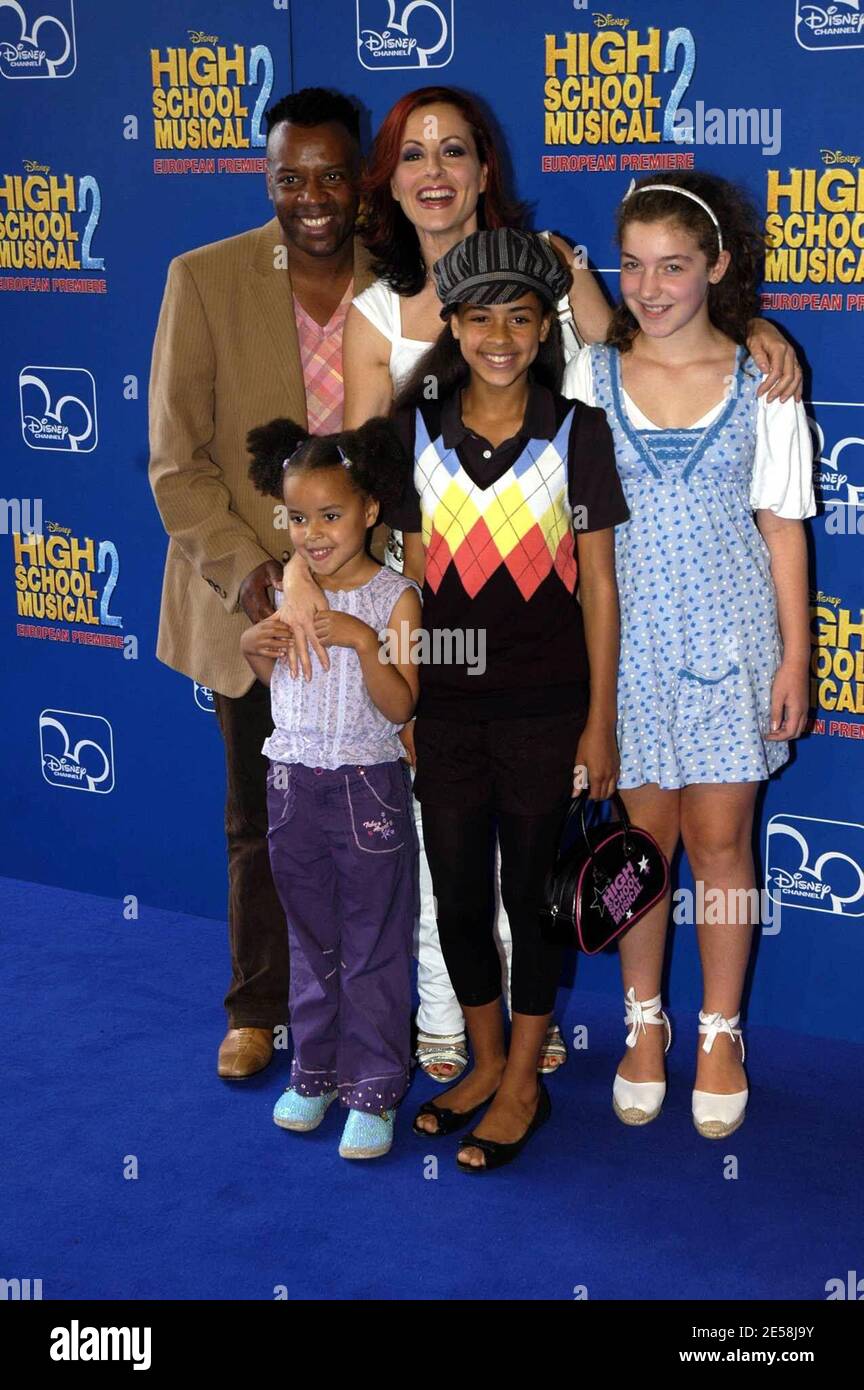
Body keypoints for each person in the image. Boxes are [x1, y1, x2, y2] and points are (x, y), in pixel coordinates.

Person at [333, 85, 803, 1084]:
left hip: (662, 652)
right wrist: (402, 654)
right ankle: (494, 1032)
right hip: (491, 656)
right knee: (500, 860)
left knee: (696, 843)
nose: (434, 174)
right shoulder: (394, 337)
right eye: (636, 263)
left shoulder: (578, 332)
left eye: (452, 152)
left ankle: (696, 1035)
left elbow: (641, 337)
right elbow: (383, 499)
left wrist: (756, 331)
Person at [565, 172, 815, 1139]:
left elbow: (783, 525)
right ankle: (642, 1024)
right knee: (642, 848)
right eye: (632, 264)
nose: (652, 286)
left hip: (732, 646)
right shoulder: (590, 375)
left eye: (675, 265)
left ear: (716, 267)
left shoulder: (767, 382)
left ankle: (719, 1031)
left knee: (721, 848)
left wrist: (795, 660)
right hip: (621, 654)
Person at [148, 88, 375, 1078]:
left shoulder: (405, 277)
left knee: (371, 818)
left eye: (332, 174)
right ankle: (256, 1005)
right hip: (251, 606)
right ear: (268, 177)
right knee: (261, 814)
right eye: (291, 177)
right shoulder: (203, 280)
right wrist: (261, 586)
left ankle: (376, 1009)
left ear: (361, 176)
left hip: (372, 599)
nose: (312, 197)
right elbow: (177, 463)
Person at [390, 228, 629, 1171]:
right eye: (479, 317)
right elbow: (413, 581)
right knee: (455, 896)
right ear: (450, 326)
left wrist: (598, 721)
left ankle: (526, 1080)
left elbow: (601, 585)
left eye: (520, 318)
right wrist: (408, 705)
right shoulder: (414, 434)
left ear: (543, 331)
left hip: (545, 708)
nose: (499, 335)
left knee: (531, 900)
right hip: (446, 711)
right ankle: (485, 1063)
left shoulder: (578, 432)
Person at [241, 417, 422, 1159]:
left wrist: (361, 640)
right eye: (298, 517)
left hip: (368, 790)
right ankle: (313, 1072)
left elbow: (403, 703)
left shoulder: (398, 599)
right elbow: (275, 680)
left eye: (332, 515)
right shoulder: (282, 591)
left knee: (373, 943)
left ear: (371, 510)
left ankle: (374, 1087)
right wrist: (254, 649)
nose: (313, 533)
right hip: (290, 787)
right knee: (310, 938)